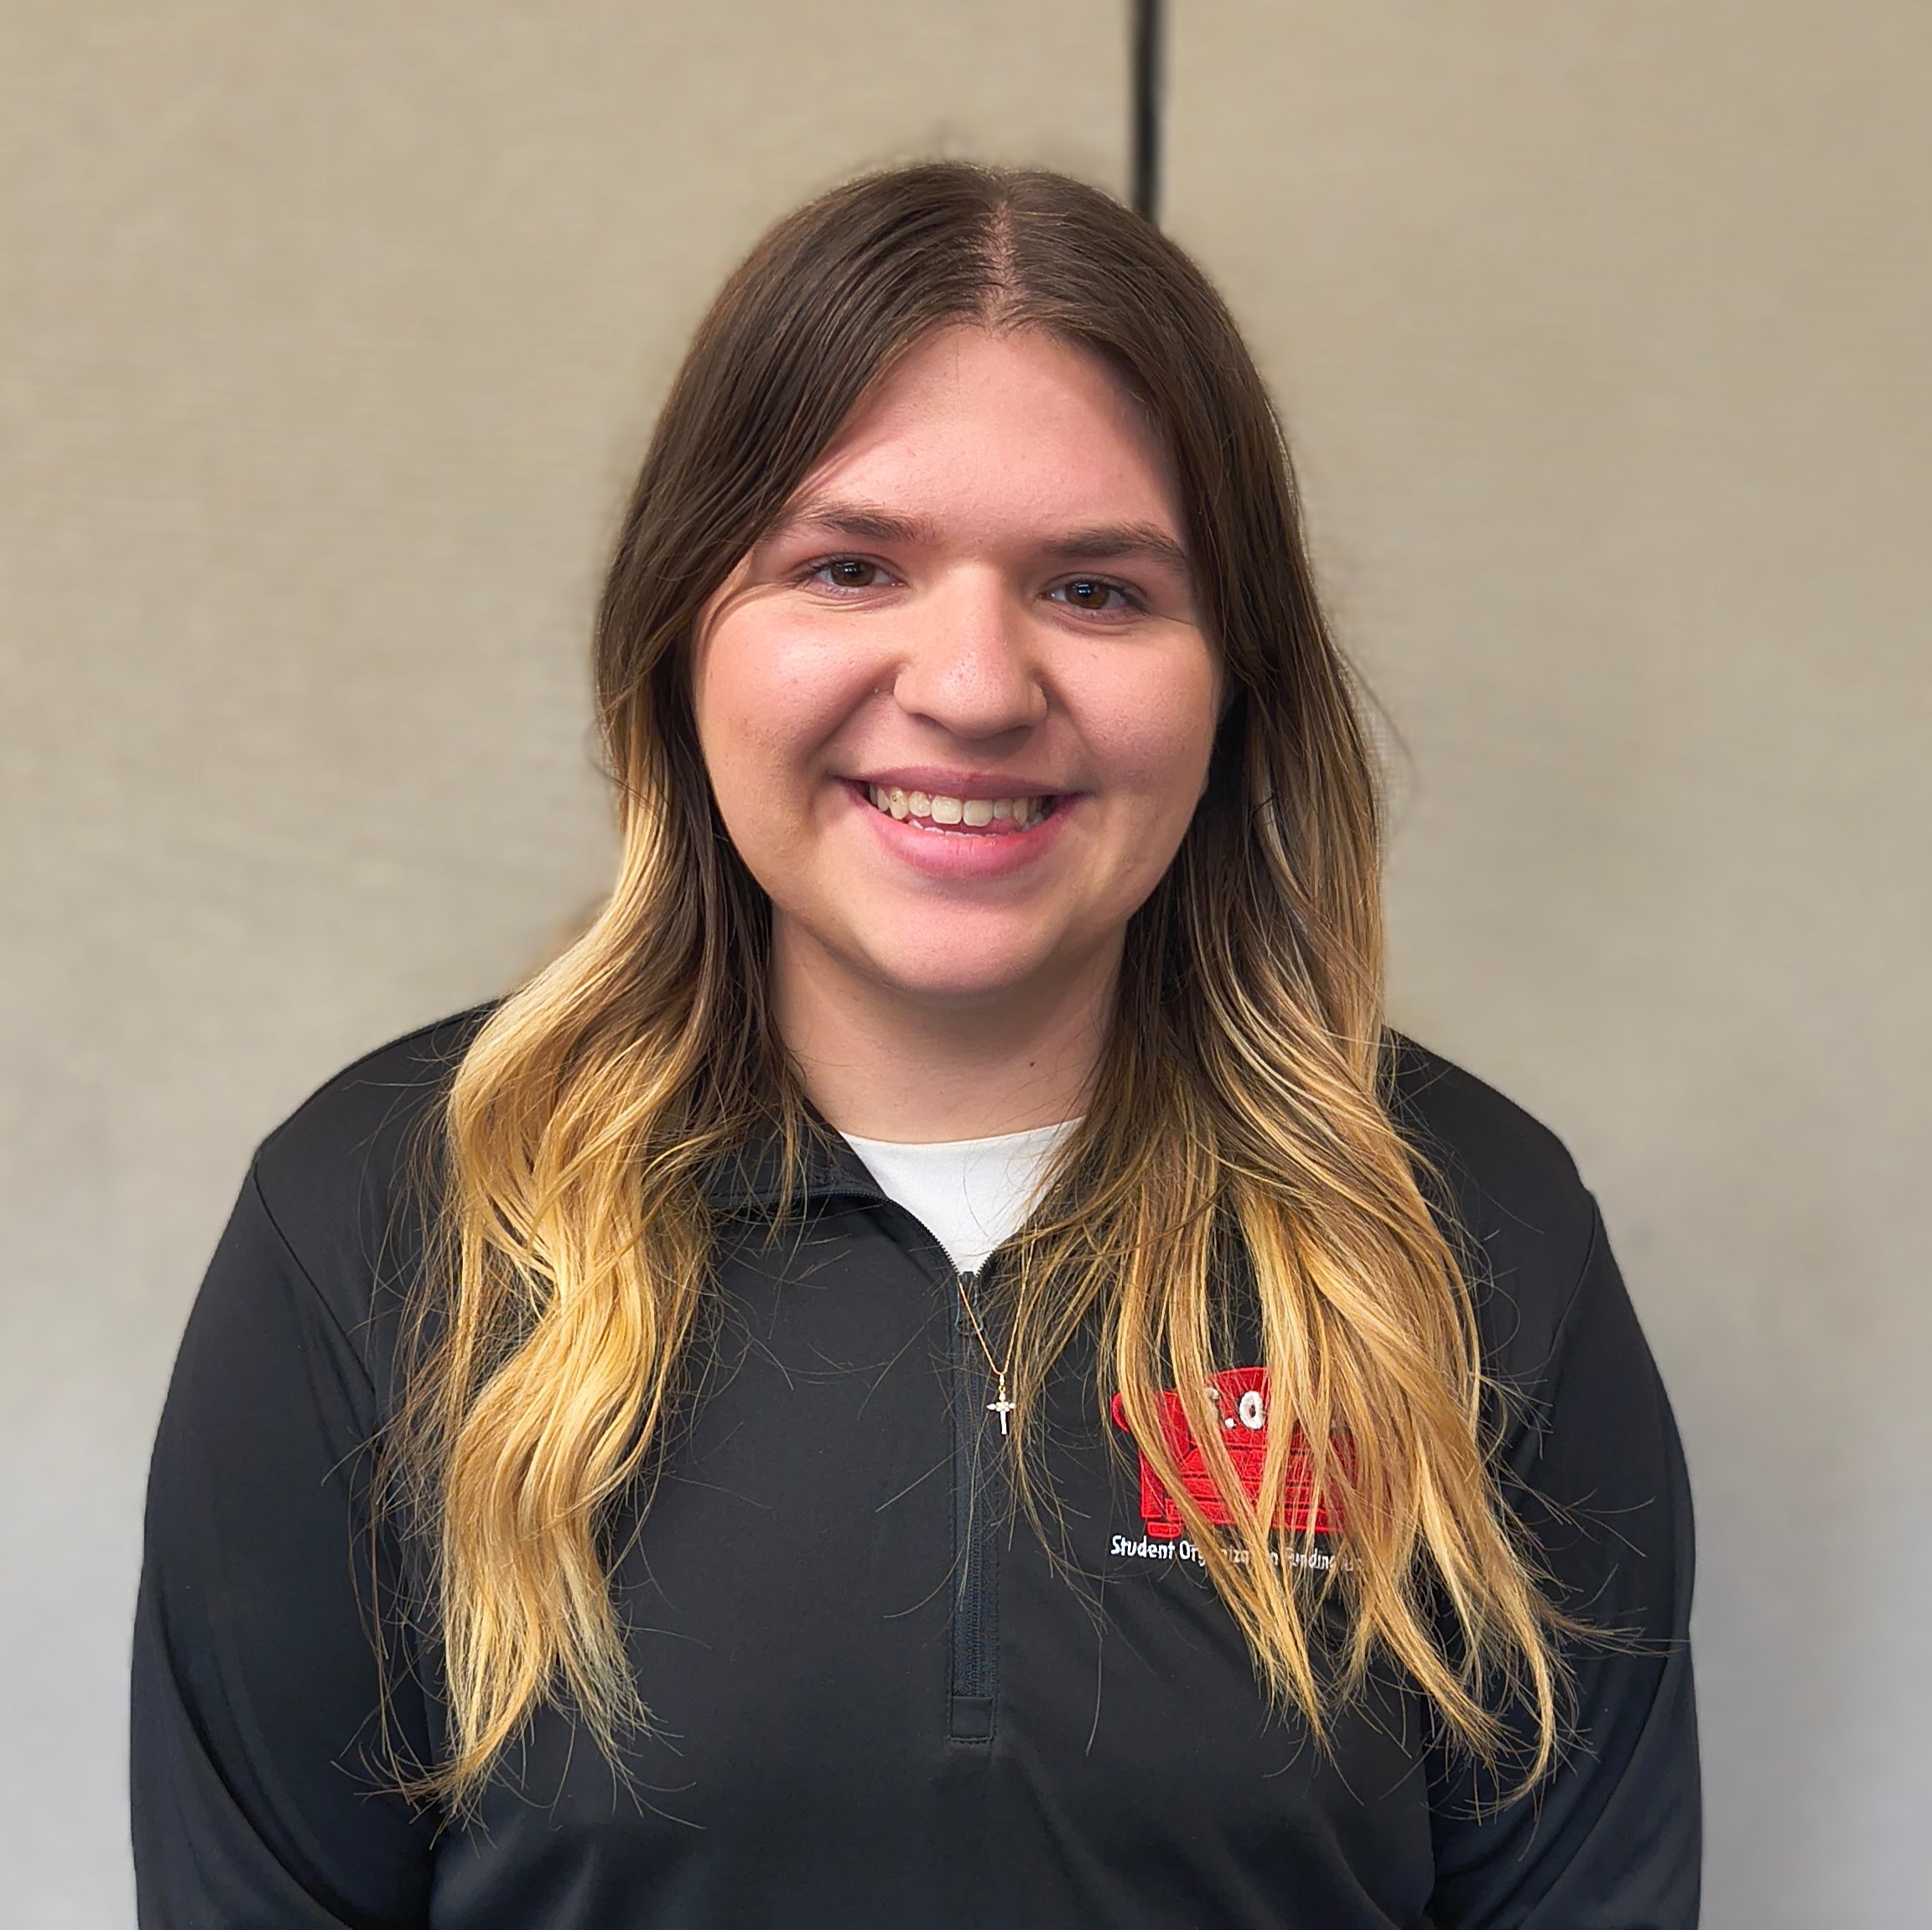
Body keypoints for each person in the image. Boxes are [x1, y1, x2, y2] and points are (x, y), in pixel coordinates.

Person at [132, 163, 1698, 1928]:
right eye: (851, 564)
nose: (971, 683)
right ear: (682, 631)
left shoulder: (1469, 1234)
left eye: (1098, 590)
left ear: (1235, 677)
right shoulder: (384, 1224)